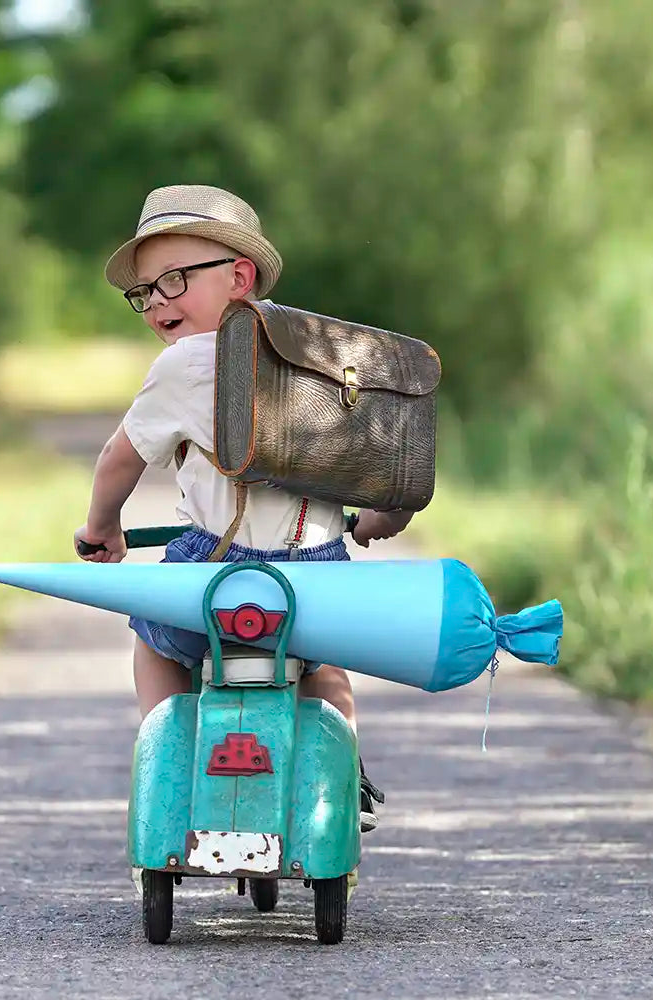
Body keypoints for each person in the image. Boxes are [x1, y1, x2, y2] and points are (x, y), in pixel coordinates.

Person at [74, 184, 412, 832]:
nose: (157, 304)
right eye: (145, 292)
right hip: (319, 578)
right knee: (323, 661)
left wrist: (102, 527)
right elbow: (385, 474)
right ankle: (344, 773)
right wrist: (378, 520)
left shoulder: (184, 364)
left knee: (153, 641)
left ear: (239, 276)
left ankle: (170, 768)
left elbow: (120, 457)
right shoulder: (325, 354)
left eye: (174, 280)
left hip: (217, 576)